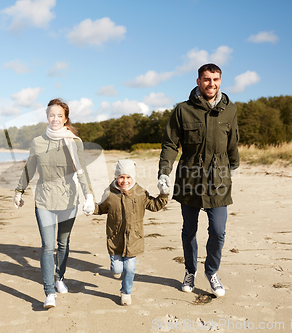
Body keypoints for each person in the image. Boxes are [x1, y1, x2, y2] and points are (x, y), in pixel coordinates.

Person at [158, 63, 239, 297]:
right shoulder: (182, 110)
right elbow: (170, 144)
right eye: (206, 79)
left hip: (219, 179)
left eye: (215, 79)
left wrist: (235, 167)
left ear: (220, 81)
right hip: (189, 178)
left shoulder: (230, 110)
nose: (211, 84)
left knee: (218, 230)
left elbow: (233, 142)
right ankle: (190, 270)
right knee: (189, 230)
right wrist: (164, 171)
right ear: (198, 82)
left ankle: (211, 272)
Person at [13, 98, 95, 309]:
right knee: (48, 247)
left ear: (65, 118)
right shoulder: (38, 142)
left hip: (69, 199)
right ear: (47, 117)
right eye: (52, 115)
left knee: (63, 244)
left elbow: (82, 171)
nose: (55, 118)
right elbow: (29, 168)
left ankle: (59, 278)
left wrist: (89, 196)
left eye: (60, 115)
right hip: (44, 200)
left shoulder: (74, 142)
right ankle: (49, 292)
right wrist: (19, 190)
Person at [92, 159, 169, 305]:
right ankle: (115, 269)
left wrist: (163, 194)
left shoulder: (140, 192)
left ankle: (126, 292)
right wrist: (91, 208)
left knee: (130, 267)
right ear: (116, 177)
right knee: (117, 269)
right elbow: (101, 208)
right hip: (115, 239)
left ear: (133, 178)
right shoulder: (109, 193)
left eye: (128, 177)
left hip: (134, 238)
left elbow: (154, 205)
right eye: (121, 177)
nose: (124, 180)